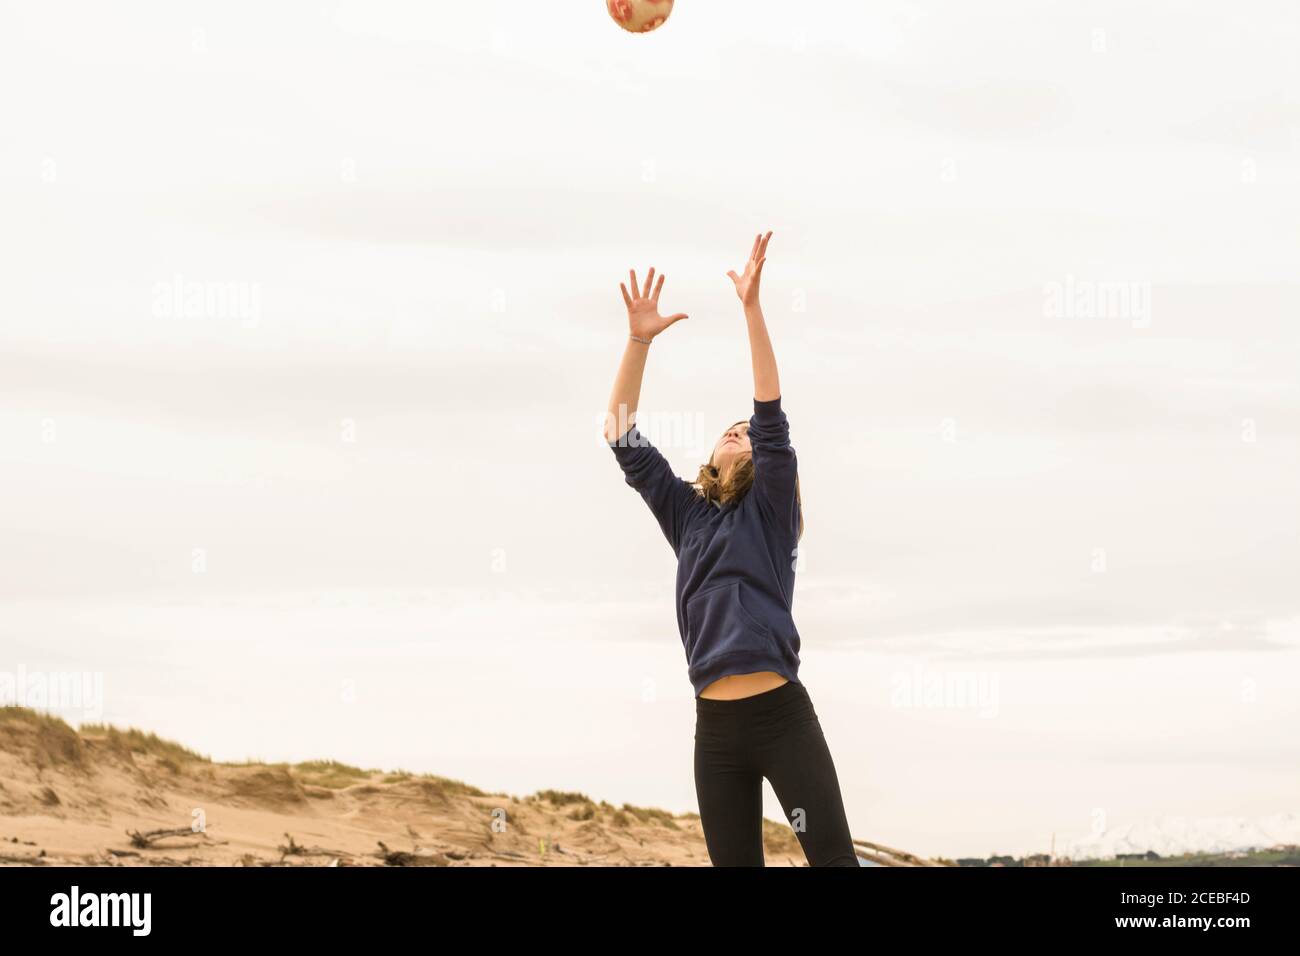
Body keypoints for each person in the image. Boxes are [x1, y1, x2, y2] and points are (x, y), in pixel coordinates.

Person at [603, 231, 859, 867]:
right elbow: (619, 434)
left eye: (747, 432)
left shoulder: (771, 511)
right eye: (730, 430)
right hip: (714, 731)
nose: (738, 429)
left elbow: (769, 410)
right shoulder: (686, 515)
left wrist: (751, 309)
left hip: (781, 717)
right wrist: (639, 342)